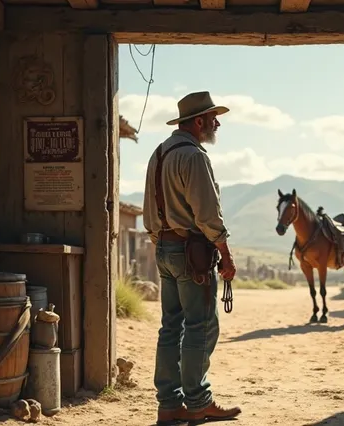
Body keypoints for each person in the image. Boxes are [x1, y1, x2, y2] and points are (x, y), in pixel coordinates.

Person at [142, 91, 241, 425]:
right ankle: (198, 403)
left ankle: (169, 405)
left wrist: (163, 240)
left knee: (171, 326)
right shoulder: (194, 157)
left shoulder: (159, 154)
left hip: (165, 249)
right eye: (213, 118)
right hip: (191, 253)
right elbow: (208, 214)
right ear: (199, 122)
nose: (217, 123)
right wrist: (225, 254)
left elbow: (148, 212)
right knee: (201, 326)